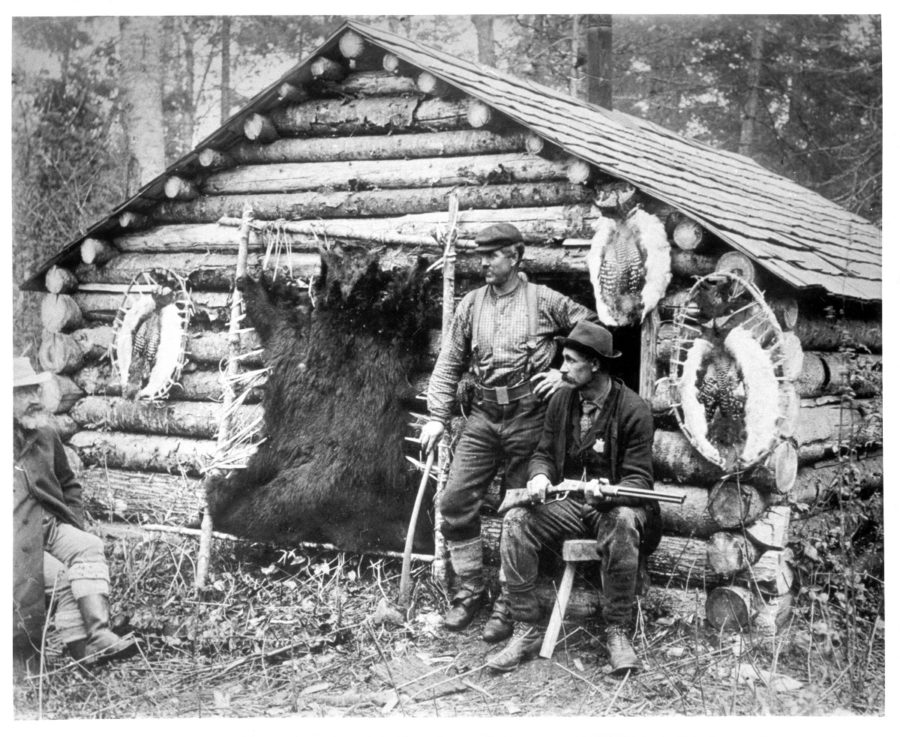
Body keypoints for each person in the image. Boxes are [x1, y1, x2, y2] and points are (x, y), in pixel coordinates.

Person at [419, 223, 597, 640]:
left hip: (530, 415)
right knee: (455, 500)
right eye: (480, 256)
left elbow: (589, 325)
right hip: (483, 415)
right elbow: (448, 362)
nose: (483, 263)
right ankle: (470, 591)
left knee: (519, 512)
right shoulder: (471, 304)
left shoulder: (544, 301)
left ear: (515, 257)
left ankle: (506, 603)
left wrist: (564, 375)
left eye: (492, 255)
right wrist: (436, 416)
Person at [485, 322, 661, 675]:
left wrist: (608, 492)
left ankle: (617, 633)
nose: (561, 368)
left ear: (595, 364)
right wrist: (538, 476)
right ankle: (525, 629)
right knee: (517, 521)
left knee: (624, 522)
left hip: (612, 506)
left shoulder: (633, 409)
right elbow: (544, 453)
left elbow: (639, 478)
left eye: (569, 360)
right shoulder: (563, 400)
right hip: (568, 504)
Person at [13, 357, 138, 672]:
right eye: (22, 392)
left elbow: (69, 483)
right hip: (15, 540)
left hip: (50, 527)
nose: (35, 399)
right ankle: (83, 659)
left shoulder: (44, 433)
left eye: (35, 389)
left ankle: (98, 634)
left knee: (88, 546)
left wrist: (74, 525)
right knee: (62, 581)